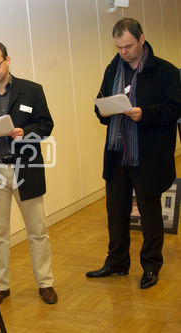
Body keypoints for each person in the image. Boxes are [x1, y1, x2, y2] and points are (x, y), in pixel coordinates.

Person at [86, 18, 181, 289]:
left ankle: (151, 266)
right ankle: (117, 263)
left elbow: (176, 108)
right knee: (115, 211)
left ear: (141, 39)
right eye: (118, 47)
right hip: (117, 152)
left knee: (150, 213)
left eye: (128, 46)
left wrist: (145, 113)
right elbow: (101, 102)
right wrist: (102, 109)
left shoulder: (164, 71)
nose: (123, 52)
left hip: (147, 154)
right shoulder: (113, 68)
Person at [0, 41, 57, 305]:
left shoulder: (31, 91)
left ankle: (45, 283)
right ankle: (0, 286)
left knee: (37, 229)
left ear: (8, 60)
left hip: (26, 169)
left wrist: (25, 134)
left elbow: (46, 125)